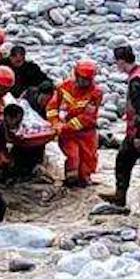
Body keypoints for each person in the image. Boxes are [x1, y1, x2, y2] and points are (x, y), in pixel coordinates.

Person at [99, 46, 140, 207]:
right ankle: (122, 195)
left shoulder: (135, 81)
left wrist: (139, 135)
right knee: (127, 161)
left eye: (116, 62)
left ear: (121, 61)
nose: (116, 65)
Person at [46, 59, 103, 188]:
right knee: (72, 157)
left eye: (87, 79)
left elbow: (87, 117)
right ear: (76, 75)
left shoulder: (95, 93)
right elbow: (52, 107)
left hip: (86, 132)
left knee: (88, 159)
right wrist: (55, 123)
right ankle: (71, 182)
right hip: (68, 133)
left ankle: (84, 180)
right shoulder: (64, 87)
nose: (84, 82)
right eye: (82, 78)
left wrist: (65, 127)